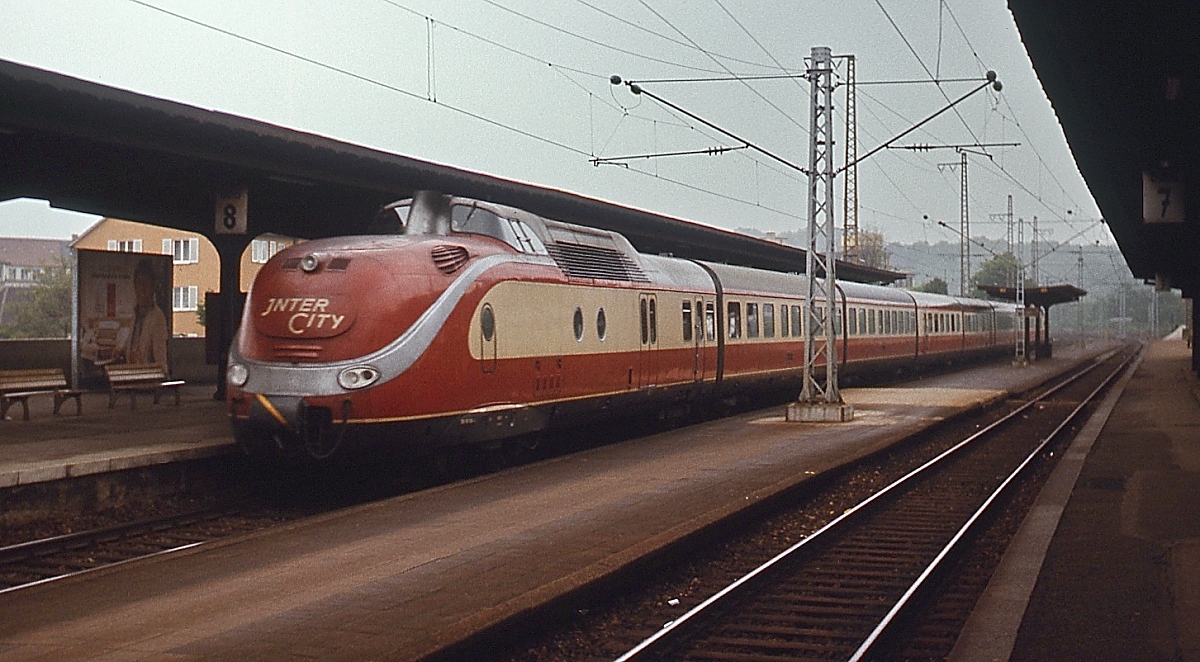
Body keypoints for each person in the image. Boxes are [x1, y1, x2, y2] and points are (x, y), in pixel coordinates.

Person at [123, 258, 169, 373]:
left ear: (153, 288)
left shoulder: (157, 318)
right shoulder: (134, 315)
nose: (141, 289)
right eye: (138, 283)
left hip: (148, 379)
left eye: (146, 284)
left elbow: (160, 358)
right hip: (132, 375)